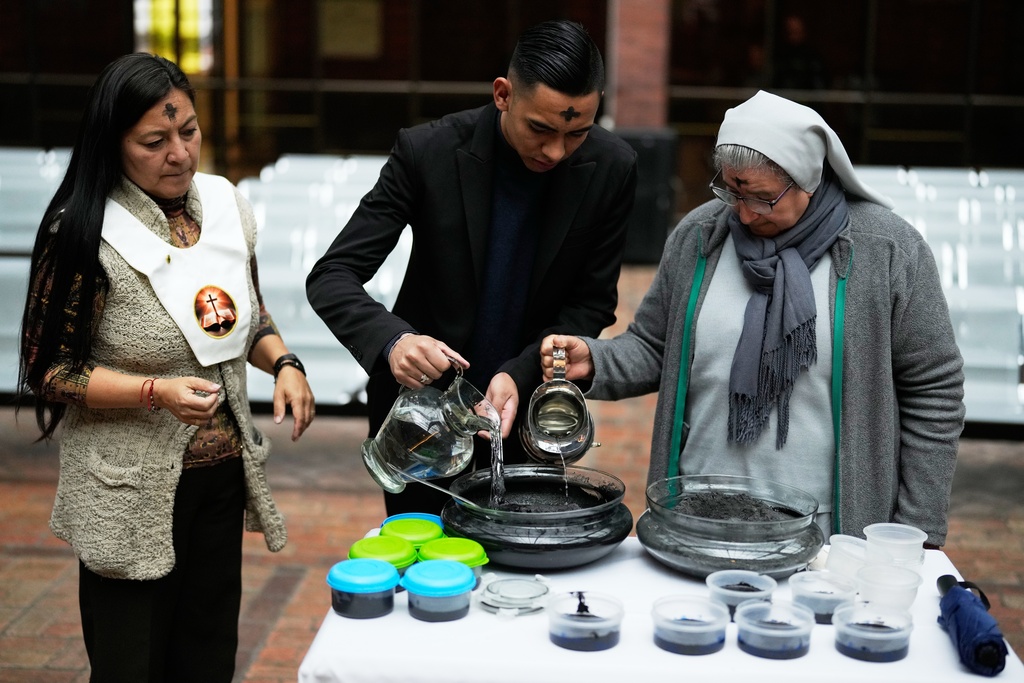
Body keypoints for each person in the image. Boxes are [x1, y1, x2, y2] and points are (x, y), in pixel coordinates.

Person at [540, 90, 965, 547]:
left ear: (807, 179)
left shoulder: (887, 251)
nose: (742, 212)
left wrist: (915, 531)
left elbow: (935, 391)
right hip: (698, 517)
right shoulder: (700, 236)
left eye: (761, 198)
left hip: (829, 534)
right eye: (730, 190)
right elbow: (655, 345)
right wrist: (597, 361)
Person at [17, 53, 315, 682]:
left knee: (207, 655)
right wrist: (153, 391)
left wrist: (284, 362)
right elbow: (49, 372)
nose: (179, 153)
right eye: (155, 141)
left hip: (220, 477)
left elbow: (244, 315)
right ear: (113, 145)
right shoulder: (85, 232)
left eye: (189, 131)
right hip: (126, 489)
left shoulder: (224, 209)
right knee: (132, 661)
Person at [306, 20, 638, 515]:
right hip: (420, 421)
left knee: (525, 571)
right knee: (428, 572)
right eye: (541, 129)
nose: (556, 151)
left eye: (577, 134)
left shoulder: (613, 166)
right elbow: (333, 275)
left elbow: (591, 302)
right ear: (503, 94)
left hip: (529, 417)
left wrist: (521, 373)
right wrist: (395, 341)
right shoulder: (428, 151)